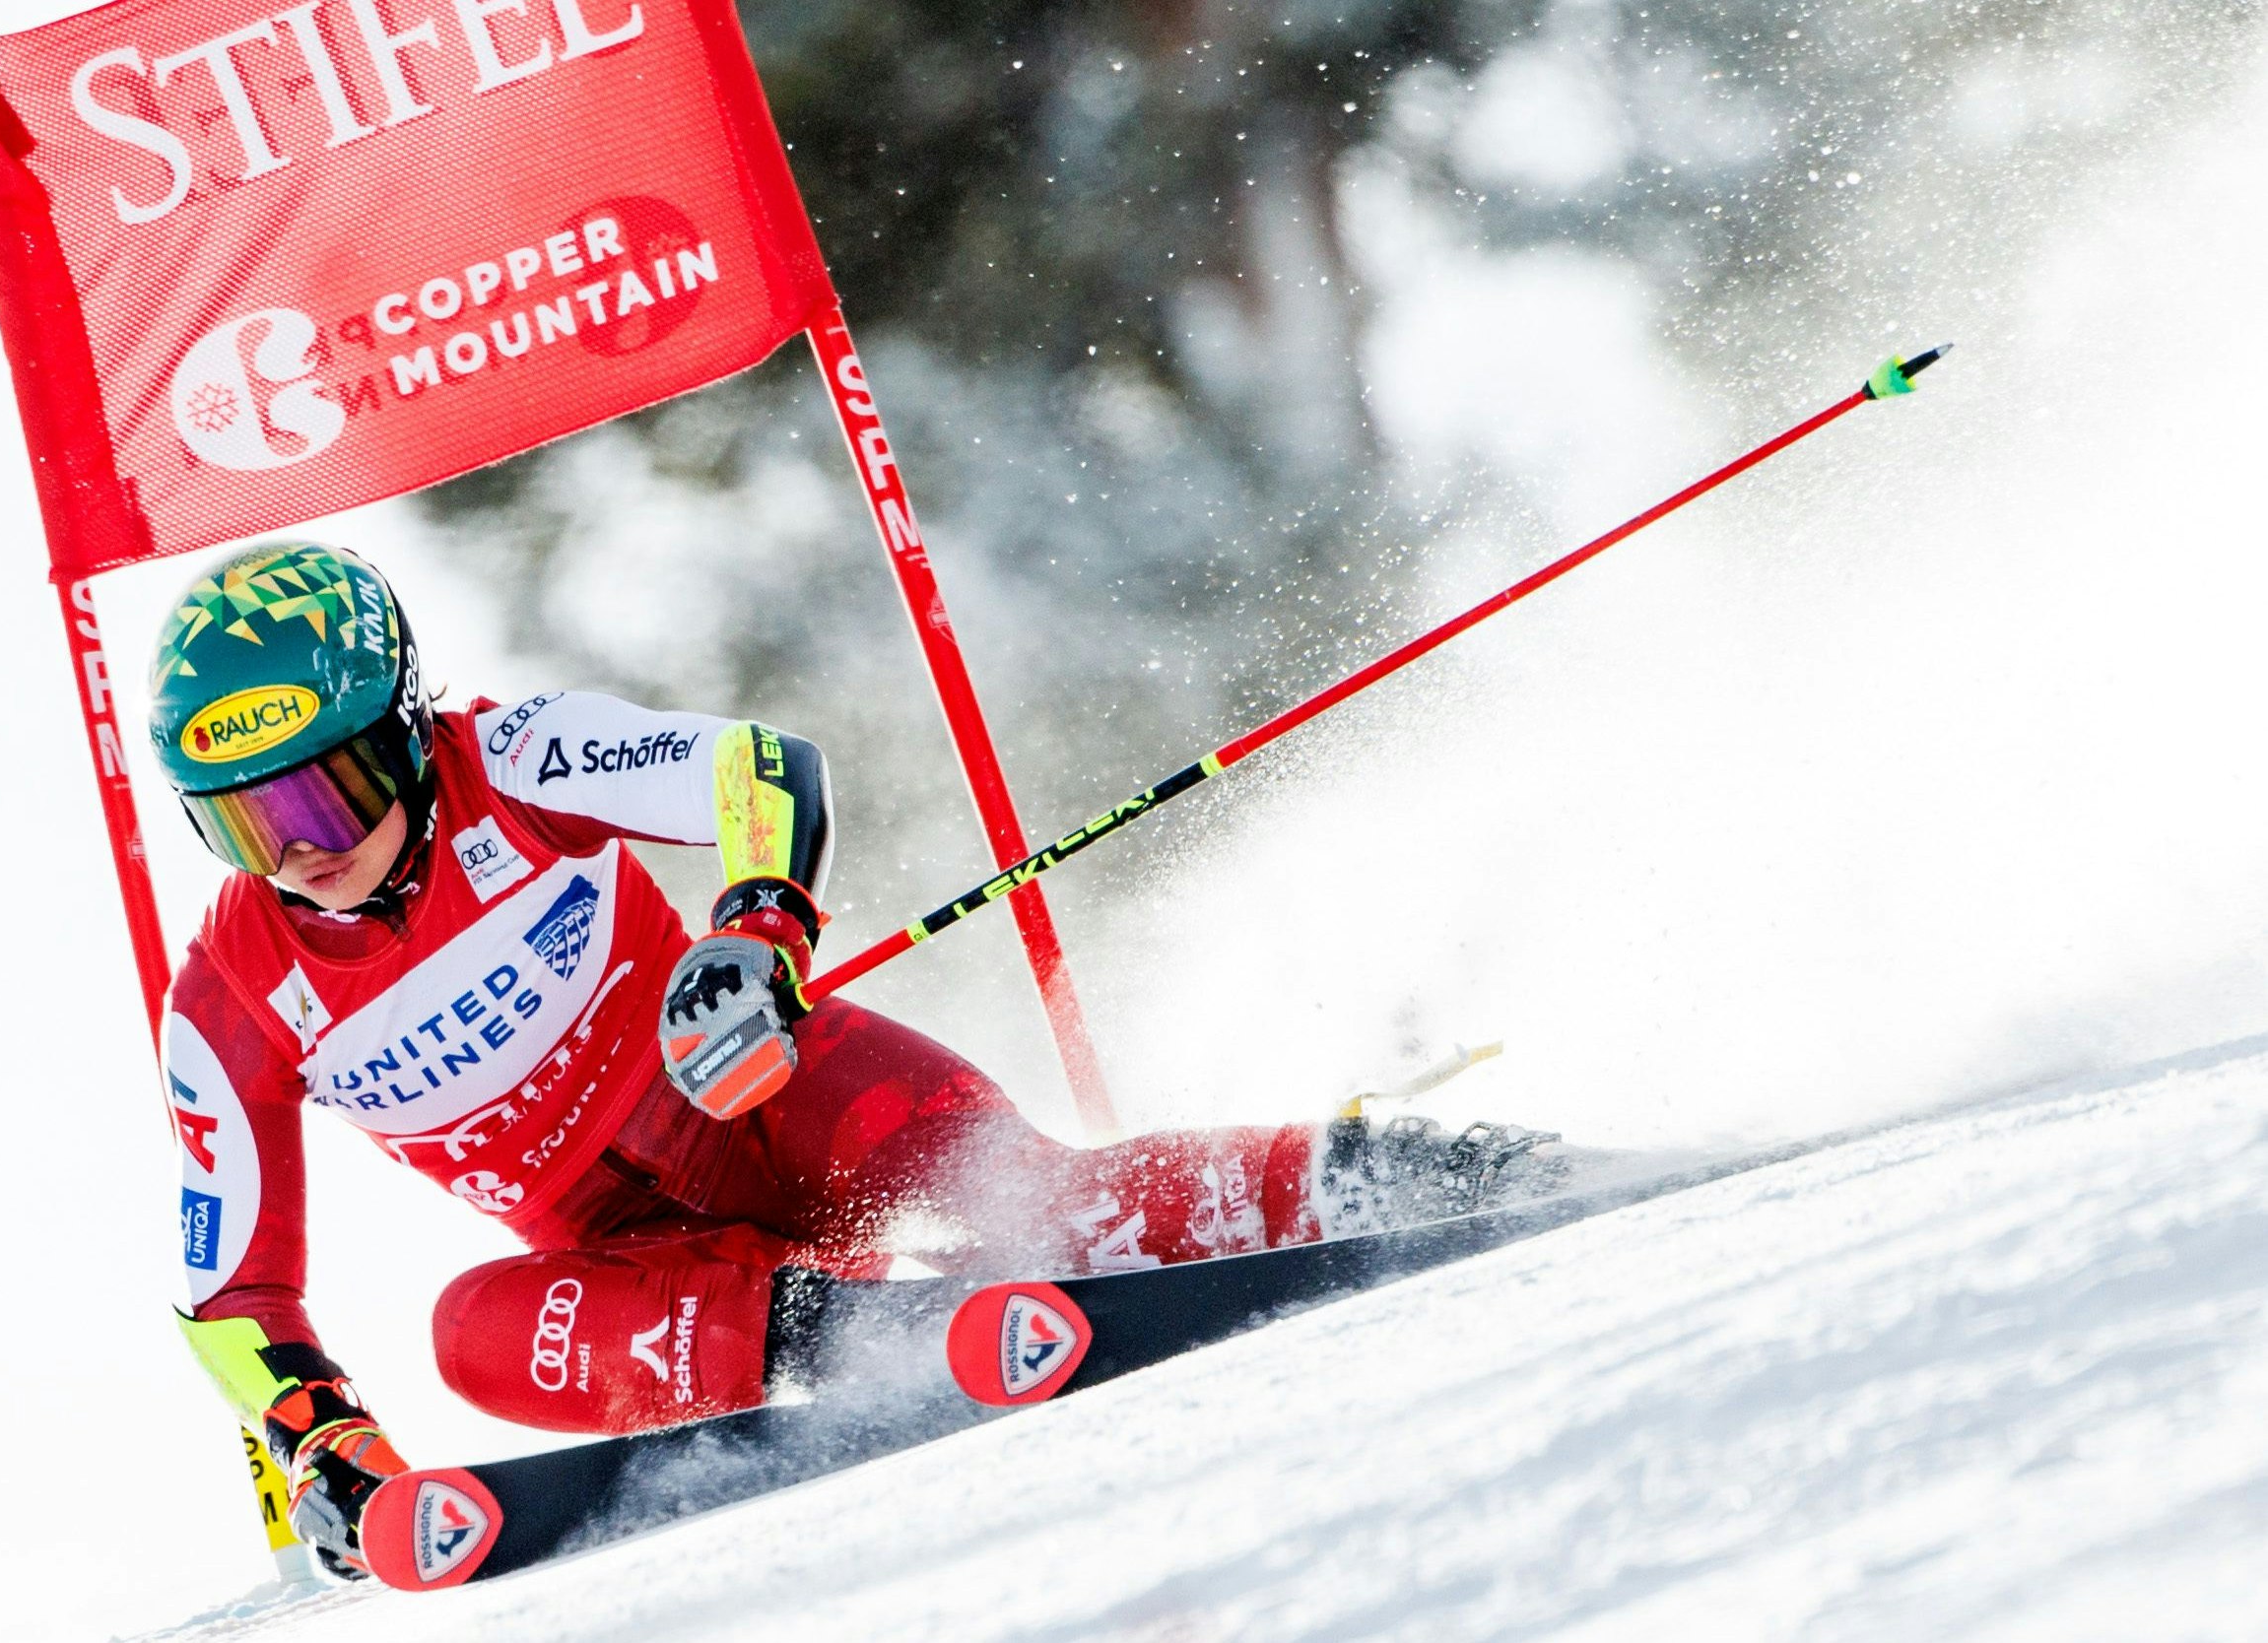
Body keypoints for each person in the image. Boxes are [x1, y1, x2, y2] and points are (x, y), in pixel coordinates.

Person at [149, 541, 1559, 1579]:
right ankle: (855, 1334)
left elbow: (752, 767)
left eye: (320, 788)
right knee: (473, 1333)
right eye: (243, 823)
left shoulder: (508, 758)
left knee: (1041, 1208)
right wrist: (320, 1441)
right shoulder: (228, 992)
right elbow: (231, 1294)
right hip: (647, 1269)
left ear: (399, 729)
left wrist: (756, 931)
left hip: (777, 1104)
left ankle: (1377, 1169)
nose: (304, 851)